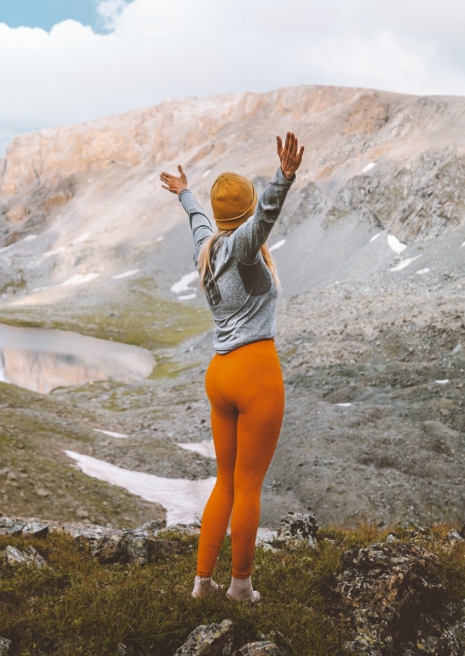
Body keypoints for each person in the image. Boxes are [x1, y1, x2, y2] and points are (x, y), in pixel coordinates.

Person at [159, 132, 305, 603]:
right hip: (254, 373)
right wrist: (283, 179)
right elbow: (261, 222)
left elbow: (198, 218)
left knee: (224, 479)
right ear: (243, 216)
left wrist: (185, 192)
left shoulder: (208, 245)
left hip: (219, 374)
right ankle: (240, 586)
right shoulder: (243, 249)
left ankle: (202, 582)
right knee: (249, 485)